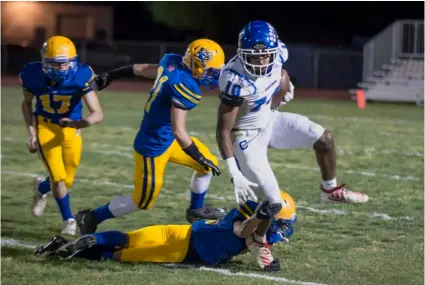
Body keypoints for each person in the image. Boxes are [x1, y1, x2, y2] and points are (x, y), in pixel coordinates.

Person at [75, 39, 227, 235]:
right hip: (153, 145)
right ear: (195, 66)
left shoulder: (172, 62)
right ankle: (91, 217)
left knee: (207, 167)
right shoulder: (185, 85)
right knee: (142, 201)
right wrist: (198, 155)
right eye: (209, 71)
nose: (212, 75)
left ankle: (196, 210)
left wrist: (111, 75)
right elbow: (179, 131)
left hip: (168, 140)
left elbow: (141, 69)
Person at [216, 21, 368, 213]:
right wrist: (233, 172)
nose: (262, 61)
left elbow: (281, 73)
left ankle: (330, 190)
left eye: (265, 55)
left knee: (324, 139)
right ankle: (257, 238)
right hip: (246, 137)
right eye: (254, 57)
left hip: (270, 120)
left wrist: (285, 86)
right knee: (274, 205)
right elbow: (223, 131)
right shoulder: (234, 79)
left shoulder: (279, 53)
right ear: (242, 54)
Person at [35, 191, 297, 272]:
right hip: (186, 248)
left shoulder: (250, 211)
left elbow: (253, 239)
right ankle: (84, 247)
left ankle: (67, 243)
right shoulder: (252, 217)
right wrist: (267, 260)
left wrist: (269, 260)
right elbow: (244, 234)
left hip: (184, 232)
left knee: (130, 238)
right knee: (124, 254)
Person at [20, 35, 104, 235]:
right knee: (58, 178)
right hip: (45, 127)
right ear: (44, 62)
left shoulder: (81, 75)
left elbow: (97, 114)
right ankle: (68, 220)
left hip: (70, 128)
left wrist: (78, 123)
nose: (61, 68)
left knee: (67, 179)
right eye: (55, 64)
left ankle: (41, 188)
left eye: (64, 63)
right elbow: (26, 104)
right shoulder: (32, 74)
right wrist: (31, 132)